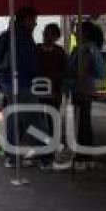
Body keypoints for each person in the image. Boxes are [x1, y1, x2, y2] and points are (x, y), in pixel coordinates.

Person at [0, 6, 44, 168]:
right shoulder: (22, 37)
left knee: (14, 118)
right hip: (21, 83)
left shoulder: (8, 35)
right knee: (34, 119)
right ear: (24, 20)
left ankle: (11, 156)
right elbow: (29, 63)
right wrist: (36, 72)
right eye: (32, 20)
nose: (34, 24)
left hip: (9, 83)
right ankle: (41, 154)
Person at [64, 21, 106, 170]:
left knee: (83, 123)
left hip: (84, 89)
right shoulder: (79, 49)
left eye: (77, 31)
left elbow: (98, 72)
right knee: (81, 122)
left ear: (86, 33)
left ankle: (84, 155)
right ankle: (83, 154)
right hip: (77, 89)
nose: (75, 33)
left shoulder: (90, 49)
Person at [35, 22, 67, 163]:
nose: (47, 36)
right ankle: (41, 150)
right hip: (37, 92)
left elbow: (65, 71)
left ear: (56, 37)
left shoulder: (59, 52)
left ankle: (52, 149)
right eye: (45, 33)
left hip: (54, 92)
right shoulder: (36, 49)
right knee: (38, 122)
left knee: (52, 121)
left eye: (50, 34)